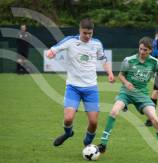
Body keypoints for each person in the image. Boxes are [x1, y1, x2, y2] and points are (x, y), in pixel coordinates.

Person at [97, 37, 158, 161]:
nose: (142, 52)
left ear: (150, 51)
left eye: (145, 50)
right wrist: (126, 83)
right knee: (113, 111)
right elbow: (121, 76)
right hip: (126, 93)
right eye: (140, 49)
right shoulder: (129, 60)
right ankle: (103, 144)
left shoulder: (154, 63)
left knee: (155, 120)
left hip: (142, 96)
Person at [46, 18, 115, 147]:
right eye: (85, 33)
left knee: (94, 123)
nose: (88, 36)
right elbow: (54, 49)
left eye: (90, 33)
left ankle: (87, 145)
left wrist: (110, 73)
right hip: (73, 87)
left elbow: (104, 59)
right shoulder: (70, 41)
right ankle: (68, 133)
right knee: (68, 119)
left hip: (91, 88)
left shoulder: (97, 44)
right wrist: (51, 53)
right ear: (80, 31)